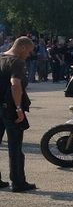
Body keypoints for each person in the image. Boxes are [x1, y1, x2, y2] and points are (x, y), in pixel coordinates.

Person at [0, 36, 36, 192]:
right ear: (21, 47)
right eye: (28, 51)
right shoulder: (17, 62)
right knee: (15, 146)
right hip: (10, 108)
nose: (28, 55)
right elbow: (15, 85)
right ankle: (18, 182)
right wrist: (18, 108)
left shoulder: (1, 58)